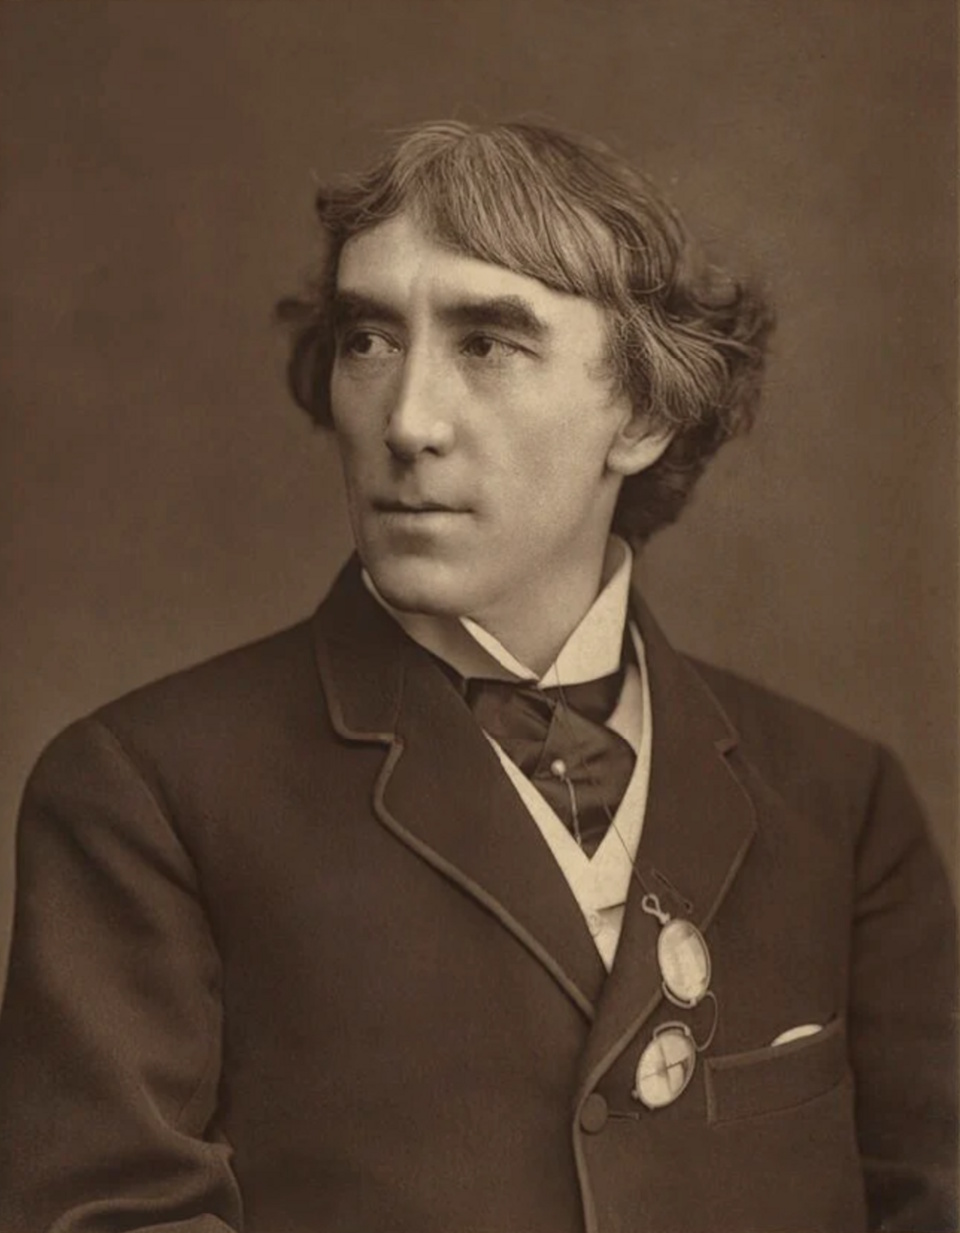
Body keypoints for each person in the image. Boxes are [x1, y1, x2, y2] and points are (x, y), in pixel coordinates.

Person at [0, 120, 955, 1233]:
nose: (407, 421)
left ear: (645, 414)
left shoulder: (844, 803)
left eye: (488, 343)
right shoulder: (143, 794)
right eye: (367, 340)